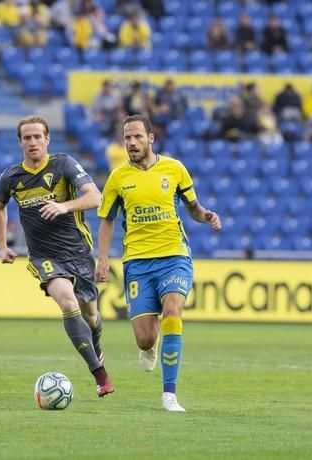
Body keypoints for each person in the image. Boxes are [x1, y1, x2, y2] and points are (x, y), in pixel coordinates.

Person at [95, 115, 221, 412]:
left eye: (138, 136)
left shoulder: (174, 169)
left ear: (151, 138)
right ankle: (149, 347)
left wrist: (206, 216)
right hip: (137, 262)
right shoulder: (118, 178)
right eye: (127, 138)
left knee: (173, 310)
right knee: (144, 337)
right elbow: (106, 221)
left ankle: (169, 395)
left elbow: (193, 207)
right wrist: (102, 258)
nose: (132, 143)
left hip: (174, 255)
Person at [0, 115, 114, 399]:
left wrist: (63, 207)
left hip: (78, 252)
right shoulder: (11, 177)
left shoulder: (64, 165)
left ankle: (96, 349)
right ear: (20, 142)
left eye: (37, 137)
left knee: (91, 316)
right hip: (44, 256)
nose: (32, 142)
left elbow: (95, 198)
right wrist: (1, 245)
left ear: (47, 139)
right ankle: (100, 374)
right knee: (67, 302)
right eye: (27, 138)